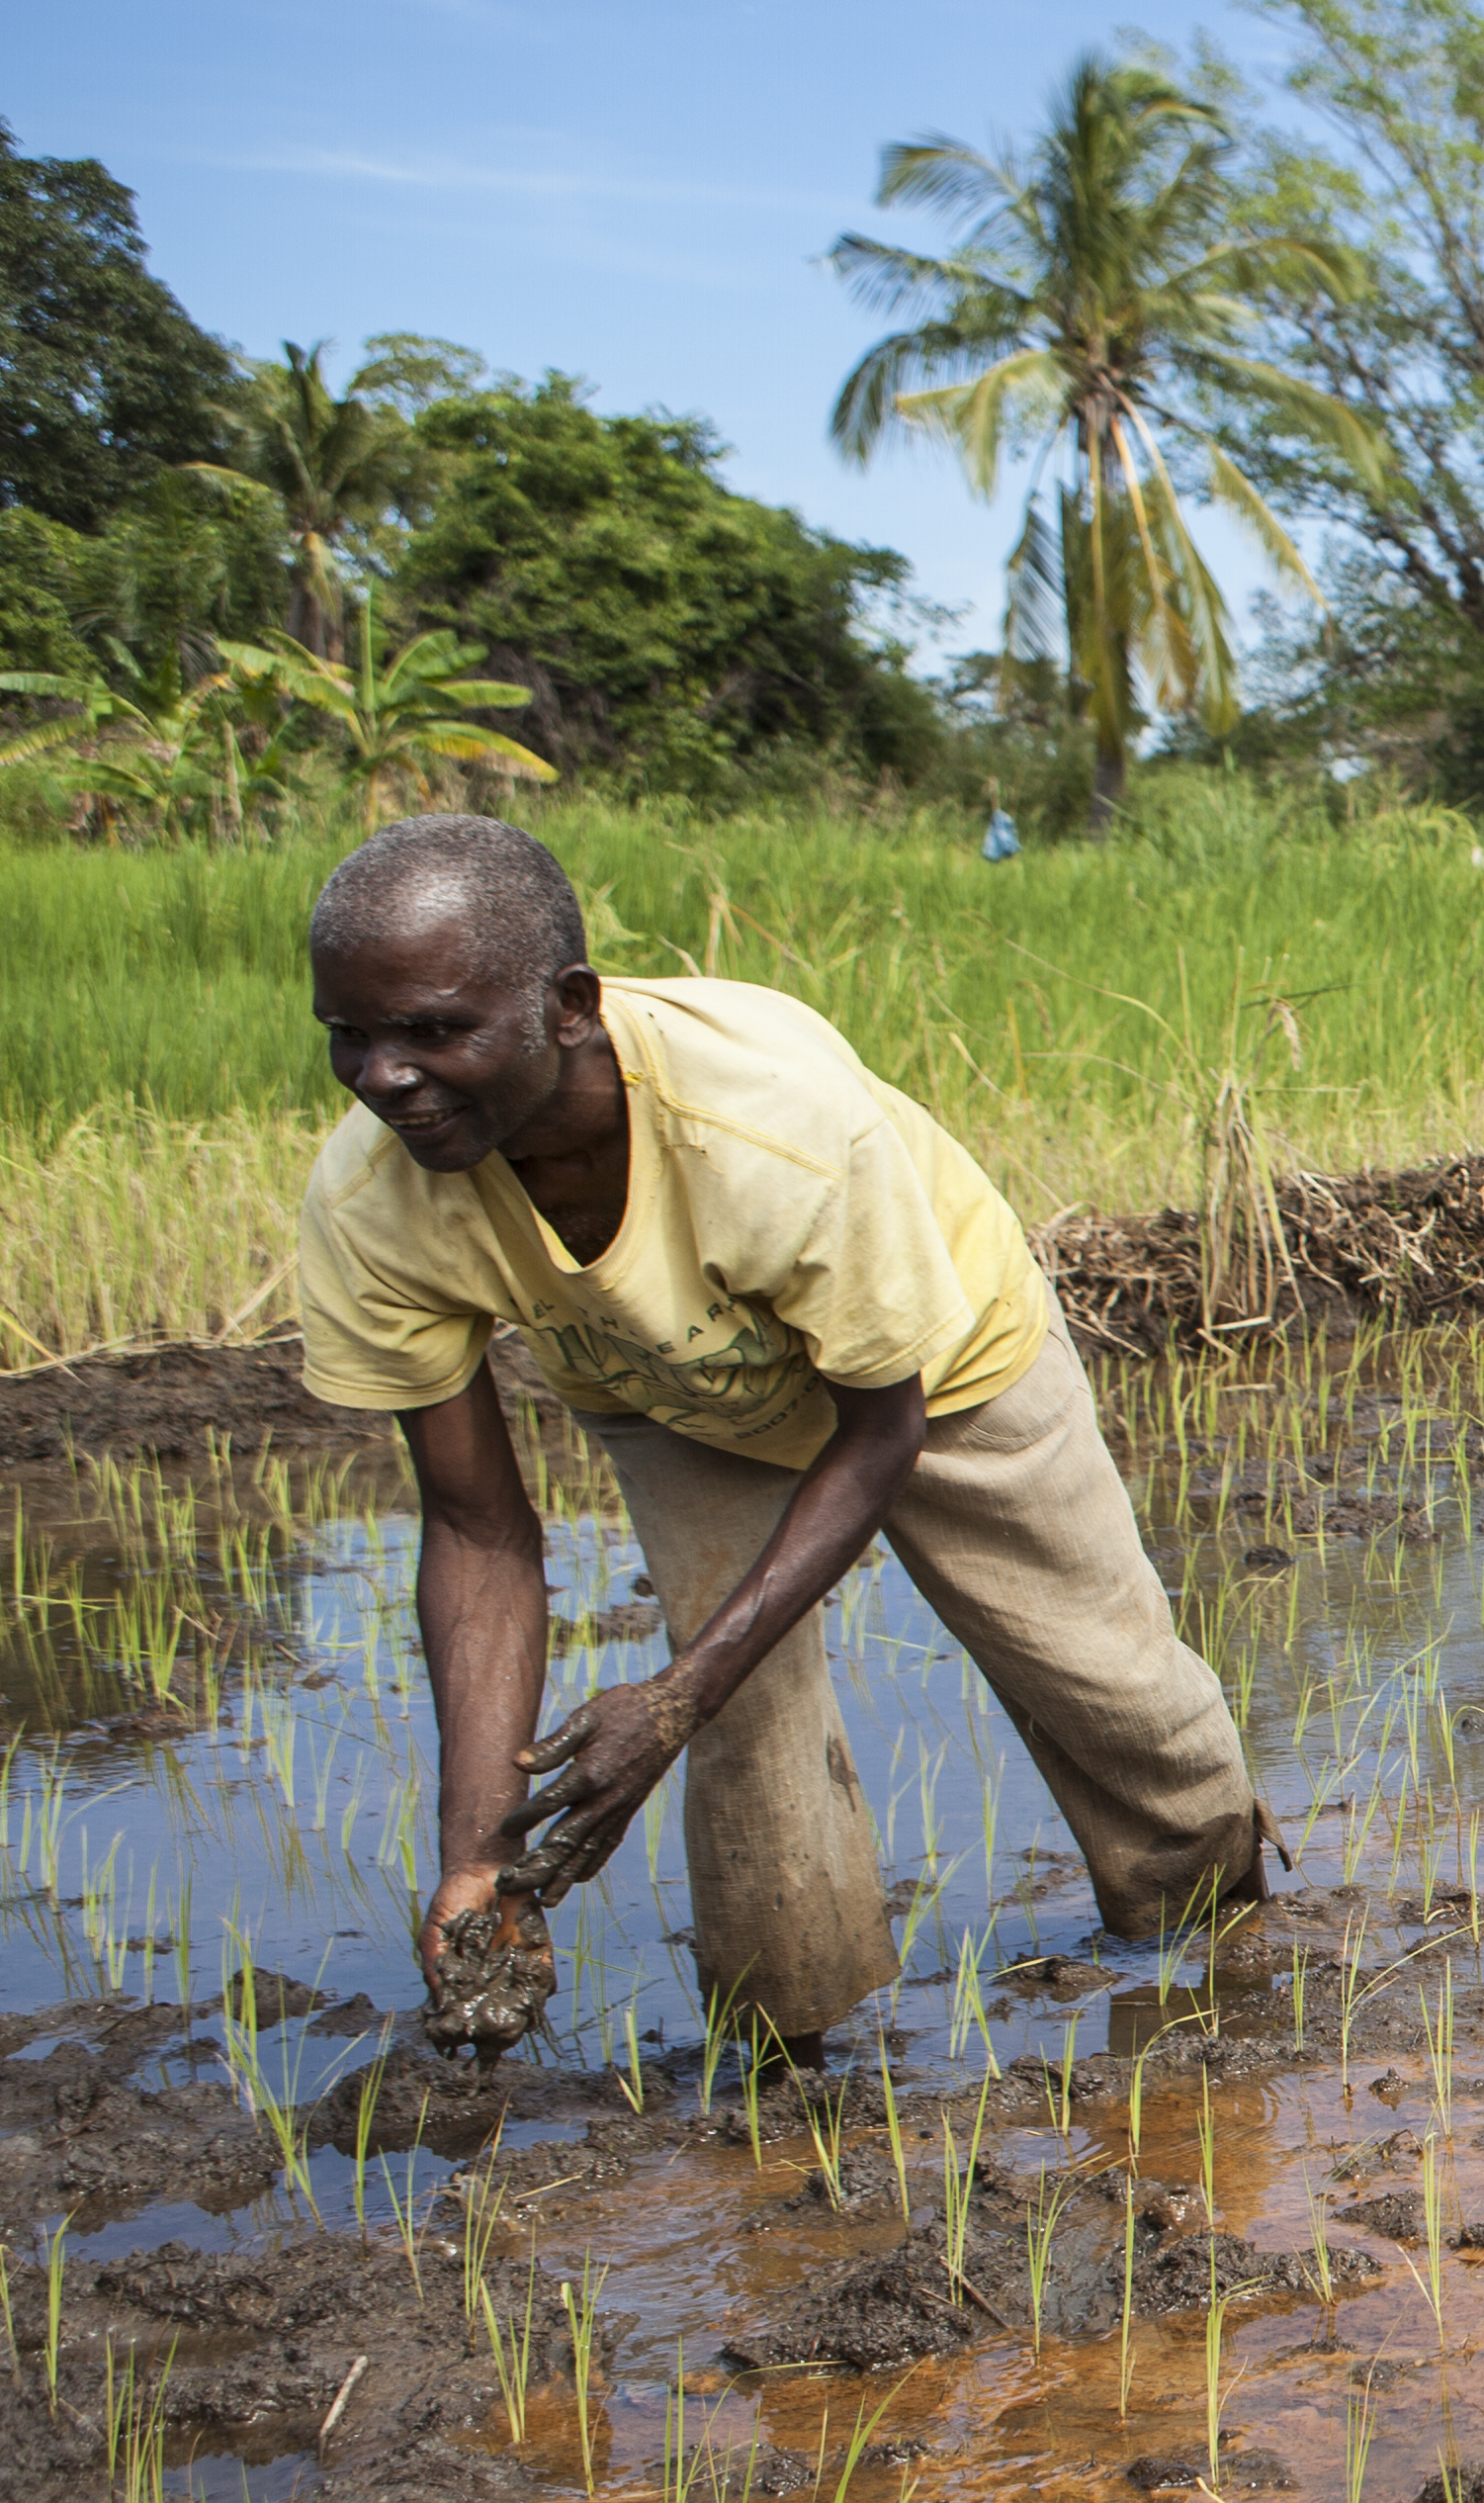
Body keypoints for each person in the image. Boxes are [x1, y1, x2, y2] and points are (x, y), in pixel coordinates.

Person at [296, 815, 1265, 2043]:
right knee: (746, 1751)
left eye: (434, 1031)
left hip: (941, 1367)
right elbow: (477, 1530)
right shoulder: (373, 1198)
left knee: (1108, 1687)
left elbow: (880, 1431)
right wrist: (477, 1861)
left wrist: (673, 1693)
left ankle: (1224, 1967)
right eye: (352, 1035)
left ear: (570, 1008)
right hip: (676, 1394)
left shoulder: (769, 1121)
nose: (385, 1076)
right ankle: (800, 2076)